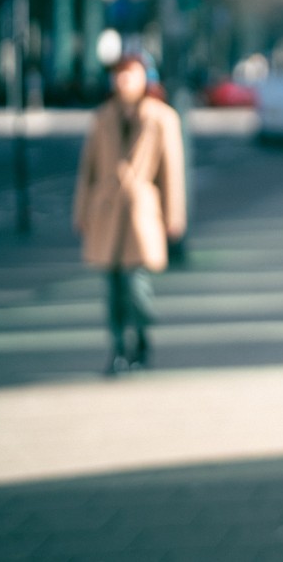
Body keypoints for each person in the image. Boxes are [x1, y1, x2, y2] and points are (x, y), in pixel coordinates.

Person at [73, 53, 186, 375]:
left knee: (136, 285)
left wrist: (173, 216)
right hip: (106, 212)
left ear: (145, 78)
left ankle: (143, 336)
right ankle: (118, 349)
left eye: (130, 74)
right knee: (111, 289)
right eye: (119, 75)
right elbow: (87, 171)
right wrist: (81, 211)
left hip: (141, 213)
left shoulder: (161, 117)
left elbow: (172, 173)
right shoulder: (102, 117)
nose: (123, 81)